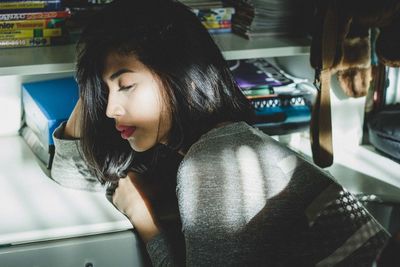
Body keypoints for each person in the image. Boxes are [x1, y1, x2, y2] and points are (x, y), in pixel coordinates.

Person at [51, 0, 390, 266]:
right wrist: (95, 77)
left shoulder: (214, 162)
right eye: (106, 92)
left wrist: (144, 219)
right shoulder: (213, 144)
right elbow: (72, 171)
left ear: (183, 74)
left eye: (126, 85)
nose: (110, 110)